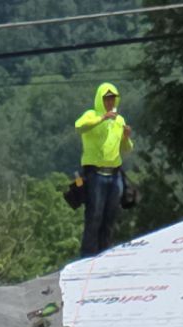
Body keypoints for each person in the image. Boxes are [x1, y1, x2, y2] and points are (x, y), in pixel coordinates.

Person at [74, 81, 135, 258]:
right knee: (95, 215)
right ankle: (87, 255)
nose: (110, 102)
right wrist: (102, 118)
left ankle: (104, 254)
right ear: (101, 99)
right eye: (107, 99)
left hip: (114, 173)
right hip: (95, 174)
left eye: (113, 99)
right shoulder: (91, 115)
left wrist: (126, 137)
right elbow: (80, 127)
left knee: (110, 216)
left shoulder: (120, 120)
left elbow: (127, 148)